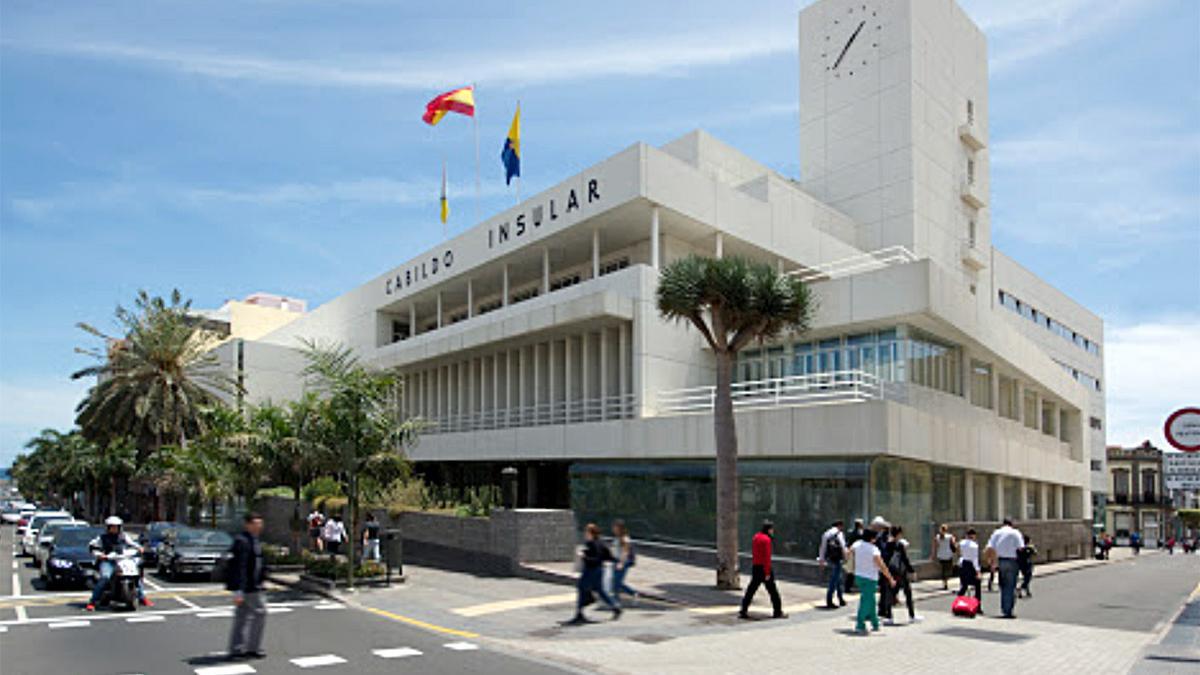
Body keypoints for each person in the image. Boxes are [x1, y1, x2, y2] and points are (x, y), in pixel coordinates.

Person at [85, 516, 152, 612]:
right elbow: (92, 546)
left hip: (122, 559)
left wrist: (140, 548)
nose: (114, 529)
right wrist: (100, 555)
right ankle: (92, 602)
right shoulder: (102, 538)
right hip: (108, 561)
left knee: (135, 575)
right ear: (108, 527)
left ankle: (142, 597)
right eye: (112, 527)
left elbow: (132, 544)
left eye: (116, 527)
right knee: (105, 578)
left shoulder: (124, 536)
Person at [227, 512, 268, 660]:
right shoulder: (242, 541)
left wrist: (263, 579)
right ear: (248, 524)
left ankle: (238, 649)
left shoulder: (254, 540)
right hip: (248, 587)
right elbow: (240, 567)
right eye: (256, 523)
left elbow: (259, 563)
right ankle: (251, 648)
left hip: (253, 585)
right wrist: (239, 590)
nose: (259, 526)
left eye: (260, 523)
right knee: (260, 613)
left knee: (242, 616)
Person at [566, 523, 620, 624]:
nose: (585, 534)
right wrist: (616, 561)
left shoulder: (592, 544)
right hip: (600, 570)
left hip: (591, 570)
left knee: (582, 586)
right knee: (600, 590)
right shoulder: (600, 543)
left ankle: (581, 611)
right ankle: (615, 607)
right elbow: (607, 556)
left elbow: (595, 559)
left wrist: (583, 556)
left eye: (586, 532)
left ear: (591, 533)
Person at [848, 529, 897, 635]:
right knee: (866, 601)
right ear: (872, 538)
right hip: (870, 578)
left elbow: (849, 552)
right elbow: (882, 565)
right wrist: (890, 578)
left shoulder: (857, 544)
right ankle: (860, 624)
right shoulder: (873, 549)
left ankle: (875, 623)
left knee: (870, 600)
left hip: (859, 575)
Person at [739, 520, 786, 620]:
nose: (773, 532)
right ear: (769, 530)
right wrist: (767, 572)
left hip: (756, 566)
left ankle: (743, 610)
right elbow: (767, 557)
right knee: (773, 591)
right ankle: (777, 611)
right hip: (764, 568)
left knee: (751, 590)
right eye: (772, 530)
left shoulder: (756, 537)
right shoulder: (766, 540)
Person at [985, 517, 1024, 619]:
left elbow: (990, 548)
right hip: (1012, 561)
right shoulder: (1016, 533)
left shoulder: (997, 533)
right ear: (1011, 524)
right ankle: (1008, 609)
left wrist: (991, 562)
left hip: (1001, 560)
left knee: (1003, 585)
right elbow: (1021, 548)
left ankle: (1004, 607)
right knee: (1011, 585)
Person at [886, 525, 922, 623]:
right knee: (908, 593)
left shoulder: (887, 545)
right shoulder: (899, 545)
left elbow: (885, 560)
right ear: (898, 534)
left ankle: (889, 617)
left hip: (891, 572)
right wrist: (912, 570)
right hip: (901, 573)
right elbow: (905, 559)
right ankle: (911, 615)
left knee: (890, 594)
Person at [818, 519, 847, 609]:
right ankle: (829, 599)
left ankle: (840, 598)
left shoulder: (826, 534)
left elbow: (822, 547)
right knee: (835, 580)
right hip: (837, 559)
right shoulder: (839, 534)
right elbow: (843, 546)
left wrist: (821, 560)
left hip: (830, 558)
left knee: (837, 578)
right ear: (840, 526)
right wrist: (846, 557)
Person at [610, 520, 638, 605]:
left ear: (620, 528)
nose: (613, 529)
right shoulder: (617, 538)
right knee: (615, 582)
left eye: (615, 527)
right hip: (616, 562)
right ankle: (632, 593)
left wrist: (621, 563)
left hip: (623, 562)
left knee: (616, 582)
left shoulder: (625, 539)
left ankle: (616, 601)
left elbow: (625, 552)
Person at [871, 517, 893, 622]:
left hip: (880, 565)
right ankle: (882, 609)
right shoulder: (882, 538)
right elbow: (884, 552)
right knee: (884, 588)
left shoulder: (880, 537)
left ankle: (882, 608)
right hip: (882, 565)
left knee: (883, 589)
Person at [957, 528, 983, 614]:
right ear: (973, 535)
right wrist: (978, 571)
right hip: (971, 566)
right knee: (977, 586)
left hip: (963, 564)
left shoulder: (961, 543)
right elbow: (974, 559)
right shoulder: (974, 545)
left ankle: (958, 603)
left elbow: (960, 554)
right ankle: (977, 606)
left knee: (964, 586)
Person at [932, 524, 958, 590]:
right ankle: (946, 581)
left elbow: (935, 547)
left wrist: (933, 555)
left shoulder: (937, 537)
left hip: (941, 555)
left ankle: (944, 582)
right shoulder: (950, 536)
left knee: (943, 569)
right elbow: (954, 545)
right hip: (948, 555)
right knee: (948, 569)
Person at [844, 518, 865, 594]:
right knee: (855, 571)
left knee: (850, 570)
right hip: (857, 553)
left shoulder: (850, 532)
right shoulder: (860, 534)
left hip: (850, 552)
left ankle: (848, 586)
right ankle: (851, 586)